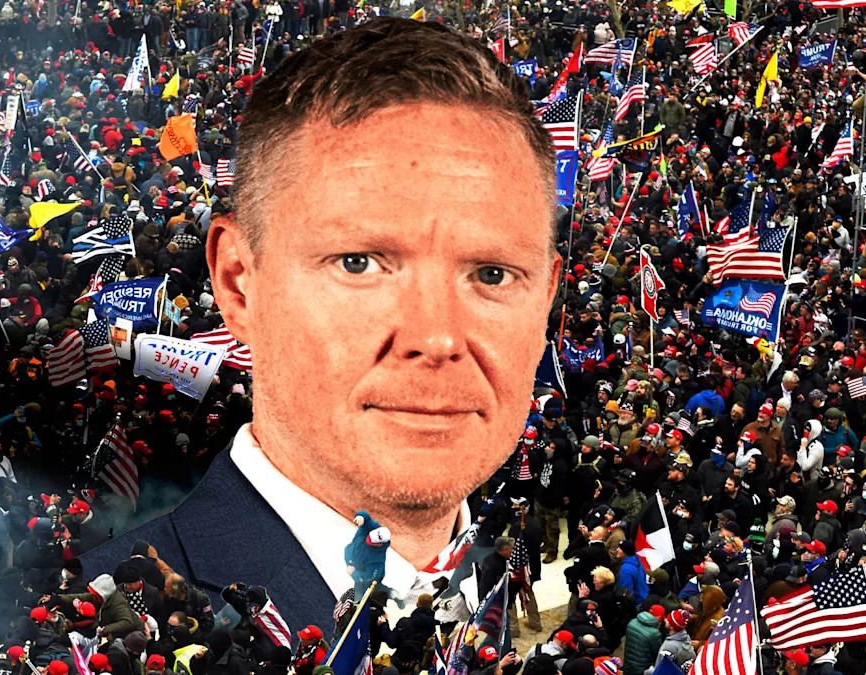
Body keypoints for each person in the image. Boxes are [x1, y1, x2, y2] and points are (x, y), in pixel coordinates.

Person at [84, 17, 562, 630]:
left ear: (545, 300)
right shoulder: (96, 625)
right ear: (239, 283)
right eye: (358, 264)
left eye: (492, 274)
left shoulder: (479, 580)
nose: (437, 338)